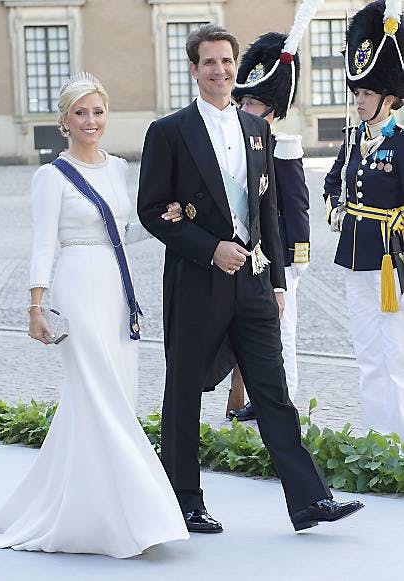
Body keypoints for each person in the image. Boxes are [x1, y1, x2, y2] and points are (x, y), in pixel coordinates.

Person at [138, 23, 363, 534]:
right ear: (193, 70)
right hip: (197, 281)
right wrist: (210, 248)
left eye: (226, 61)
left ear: (236, 67)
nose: (220, 70)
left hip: (256, 283)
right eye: (209, 62)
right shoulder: (169, 132)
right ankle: (184, 502)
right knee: (183, 394)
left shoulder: (257, 130)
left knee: (273, 392)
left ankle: (310, 501)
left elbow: (269, 210)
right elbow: (151, 210)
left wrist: (279, 281)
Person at [0, 73, 189, 557]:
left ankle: (92, 512)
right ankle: (141, 514)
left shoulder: (118, 169)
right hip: (77, 287)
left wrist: (168, 220)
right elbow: (43, 244)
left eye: (97, 112)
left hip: (117, 291)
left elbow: (124, 232)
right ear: (64, 120)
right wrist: (36, 306)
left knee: (110, 396)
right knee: (102, 398)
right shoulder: (51, 177)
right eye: (81, 113)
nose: (90, 121)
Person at [324, 0, 404, 439]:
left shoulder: (403, 143)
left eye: (367, 94)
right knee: (367, 352)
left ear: (388, 98)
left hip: (392, 259)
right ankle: (377, 437)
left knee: (396, 354)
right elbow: (335, 179)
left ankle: (401, 439)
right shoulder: (355, 139)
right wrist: (335, 203)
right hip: (353, 255)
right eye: (357, 93)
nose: (359, 100)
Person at [226, 29, 311, 422]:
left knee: (283, 332)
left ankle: (286, 401)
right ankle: (261, 400)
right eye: (242, 100)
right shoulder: (238, 143)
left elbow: (296, 206)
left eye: (254, 103)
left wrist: (296, 259)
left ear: (273, 109)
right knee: (256, 334)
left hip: (281, 257)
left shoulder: (284, 146)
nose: (244, 108)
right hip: (249, 254)